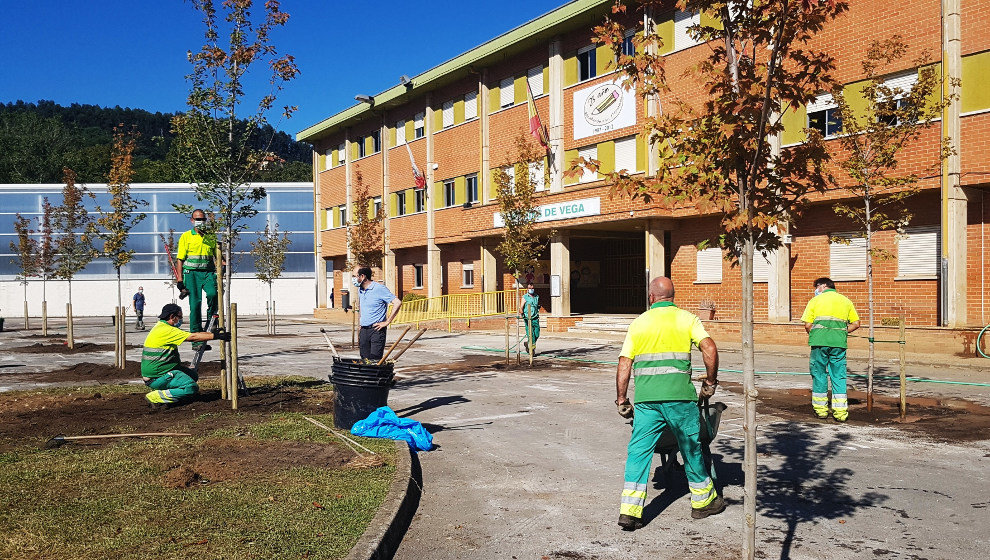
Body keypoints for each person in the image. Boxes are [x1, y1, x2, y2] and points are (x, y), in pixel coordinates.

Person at [615, 277, 725, 530]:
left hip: (646, 402)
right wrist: (710, 382)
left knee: (638, 452)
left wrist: (622, 398)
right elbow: (708, 347)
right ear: (672, 297)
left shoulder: (638, 323)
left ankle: (630, 512)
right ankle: (703, 502)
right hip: (680, 399)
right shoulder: (687, 319)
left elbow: (624, 363)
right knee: (691, 448)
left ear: (651, 297)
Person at [142, 303, 229, 408]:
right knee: (191, 387)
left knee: (192, 375)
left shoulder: (161, 326)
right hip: (157, 377)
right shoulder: (166, 330)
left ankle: (171, 392)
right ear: (172, 317)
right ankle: (155, 396)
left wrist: (213, 334)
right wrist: (217, 336)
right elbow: (192, 337)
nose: (181, 320)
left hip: (160, 372)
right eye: (179, 317)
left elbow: (190, 335)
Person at [800, 277, 861, 422]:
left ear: (822, 286)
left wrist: (817, 335)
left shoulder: (815, 301)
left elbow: (808, 325)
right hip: (839, 343)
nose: (815, 291)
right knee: (838, 376)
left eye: (816, 287)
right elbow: (856, 324)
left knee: (819, 374)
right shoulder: (846, 301)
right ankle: (840, 413)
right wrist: (840, 332)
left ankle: (821, 411)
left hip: (819, 343)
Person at [176, 209, 218, 343]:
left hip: (208, 273)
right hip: (191, 274)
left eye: (202, 219)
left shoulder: (210, 236)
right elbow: (180, 259)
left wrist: (223, 264)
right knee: (195, 305)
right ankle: (197, 338)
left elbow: (217, 255)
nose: (200, 222)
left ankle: (212, 322)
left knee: (212, 294)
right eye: (197, 219)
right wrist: (180, 280)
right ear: (192, 220)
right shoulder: (186, 236)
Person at [353, 267, 403, 361]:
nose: (353, 279)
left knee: (374, 360)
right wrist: (360, 324)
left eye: (354, 276)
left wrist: (387, 322)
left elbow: (397, 302)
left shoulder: (379, 288)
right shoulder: (360, 290)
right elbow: (361, 308)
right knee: (364, 360)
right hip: (364, 329)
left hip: (376, 329)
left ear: (362, 276)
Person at [519, 281, 540, 354]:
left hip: (535, 317)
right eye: (530, 288)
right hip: (528, 318)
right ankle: (532, 350)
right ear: (527, 289)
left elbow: (536, 306)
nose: (531, 289)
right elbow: (521, 307)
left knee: (537, 334)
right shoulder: (525, 297)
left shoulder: (536, 296)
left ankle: (528, 344)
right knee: (530, 334)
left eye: (532, 288)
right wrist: (522, 314)